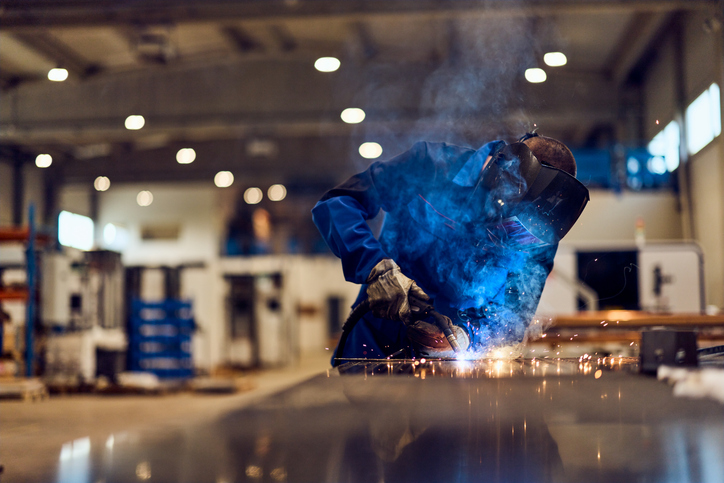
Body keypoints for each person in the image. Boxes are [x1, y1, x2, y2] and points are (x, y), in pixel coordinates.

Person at [312, 132, 589, 361]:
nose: (510, 237)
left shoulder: (541, 232)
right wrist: (375, 268)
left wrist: (468, 336)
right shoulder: (431, 168)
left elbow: (514, 314)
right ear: (505, 176)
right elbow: (337, 205)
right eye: (508, 224)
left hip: (448, 360)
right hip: (375, 339)